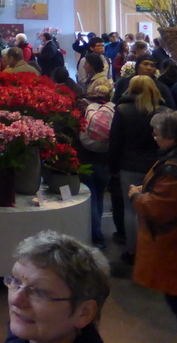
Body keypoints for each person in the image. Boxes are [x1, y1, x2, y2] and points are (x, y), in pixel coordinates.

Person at [130, 110, 177, 342]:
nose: (154, 138)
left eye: (157, 135)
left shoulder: (174, 168)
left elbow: (161, 209)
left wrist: (137, 196)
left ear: (171, 137)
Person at [4, 230, 110, 343]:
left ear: (84, 312)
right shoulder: (23, 332)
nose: (15, 300)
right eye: (16, 281)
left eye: (39, 292)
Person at [109, 74, 167, 259]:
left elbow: (115, 142)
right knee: (155, 208)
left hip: (129, 165)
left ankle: (133, 250)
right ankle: (153, 249)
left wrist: (113, 168)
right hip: (157, 165)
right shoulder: (164, 111)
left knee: (131, 208)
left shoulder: (122, 110)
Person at [78, 81, 115, 248]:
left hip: (85, 159)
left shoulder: (83, 108)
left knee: (90, 197)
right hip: (104, 159)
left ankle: (93, 235)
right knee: (99, 197)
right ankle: (99, 234)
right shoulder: (114, 109)